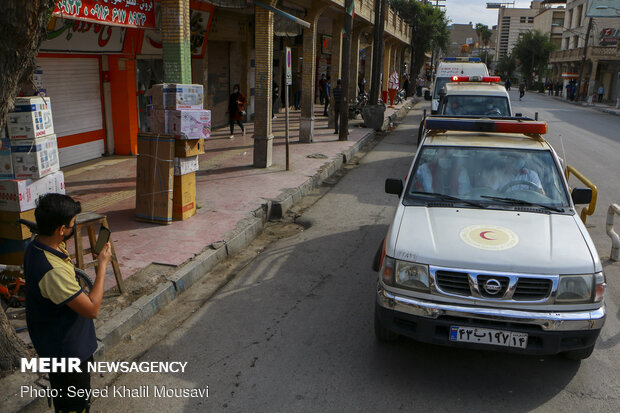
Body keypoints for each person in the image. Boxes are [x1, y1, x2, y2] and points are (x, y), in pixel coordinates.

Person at [25, 193, 111, 413]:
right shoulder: (51, 271)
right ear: (60, 229)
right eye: (73, 224)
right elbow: (92, 309)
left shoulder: (38, 246)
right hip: (67, 356)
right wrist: (102, 266)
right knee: (75, 407)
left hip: (60, 347)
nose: (75, 228)